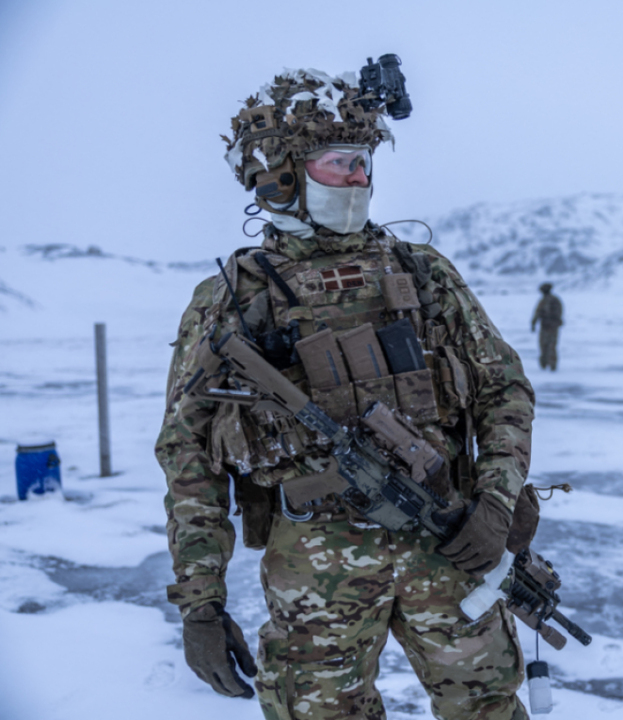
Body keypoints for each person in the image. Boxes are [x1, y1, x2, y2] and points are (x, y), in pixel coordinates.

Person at [155, 66, 535, 720]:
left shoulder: (422, 272)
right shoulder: (232, 300)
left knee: (488, 708)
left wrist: (496, 504)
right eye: (339, 163)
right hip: (316, 575)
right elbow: (187, 455)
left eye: (363, 162)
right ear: (278, 178)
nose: (360, 178)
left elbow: (504, 390)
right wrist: (201, 605)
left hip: (449, 541)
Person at [531, 283, 563, 371]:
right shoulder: (555, 300)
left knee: (545, 346)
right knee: (551, 346)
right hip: (552, 327)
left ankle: (546, 365)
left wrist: (533, 323)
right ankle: (551, 365)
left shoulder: (544, 301)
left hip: (547, 327)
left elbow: (537, 313)